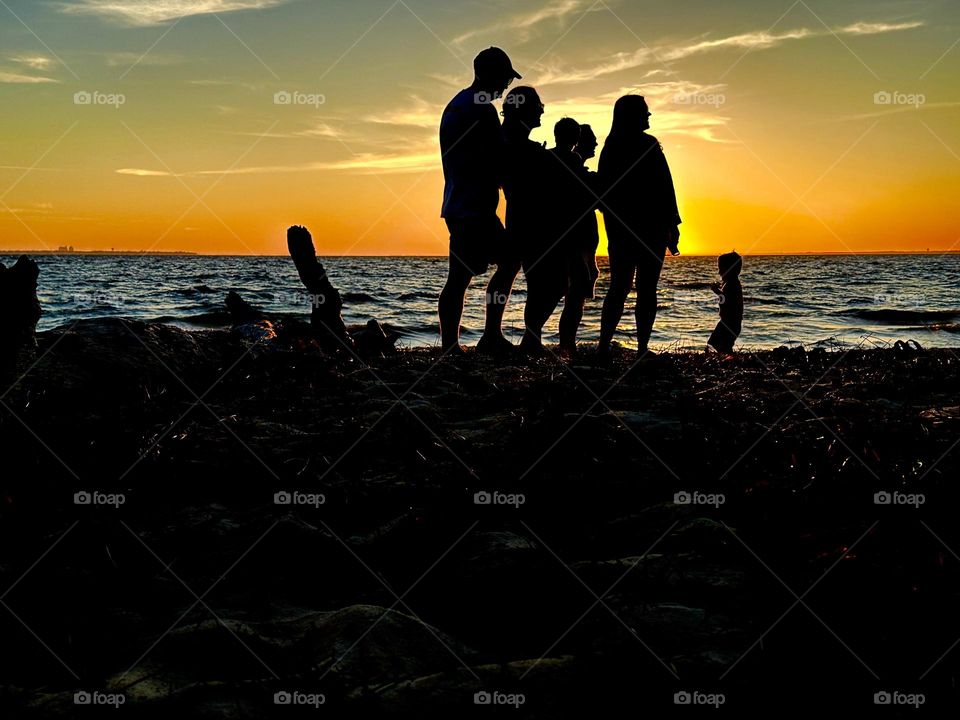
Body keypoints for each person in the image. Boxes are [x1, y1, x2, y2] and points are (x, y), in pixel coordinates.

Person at [438, 47, 522, 356]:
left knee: (459, 277)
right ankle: (485, 337)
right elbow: (497, 158)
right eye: (504, 79)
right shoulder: (480, 108)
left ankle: (454, 344)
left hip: (461, 204)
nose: (504, 87)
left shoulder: (458, 104)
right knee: (507, 261)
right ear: (488, 75)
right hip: (473, 207)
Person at [597, 95, 681, 358]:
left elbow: (604, 193)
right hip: (644, 229)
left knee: (623, 287)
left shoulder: (615, 147)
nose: (649, 116)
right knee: (642, 289)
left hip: (632, 229)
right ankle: (636, 347)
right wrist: (672, 224)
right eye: (645, 112)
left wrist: (672, 223)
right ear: (632, 115)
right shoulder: (644, 146)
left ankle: (608, 346)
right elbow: (665, 189)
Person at [498, 87, 557, 355]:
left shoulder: (518, 138)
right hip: (526, 215)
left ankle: (530, 337)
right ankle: (526, 338)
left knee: (534, 277)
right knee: (541, 278)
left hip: (528, 214)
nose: (542, 111)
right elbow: (515, 174)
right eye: (538, 107)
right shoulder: (511, 138)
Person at [557, 122, 601, 354]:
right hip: (575, 240)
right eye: (592, 139)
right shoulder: (573, 168)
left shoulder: (577, 168)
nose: (595, 143)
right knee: (575, 292)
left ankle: (567, 343)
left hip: (583, 242)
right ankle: (567, 344)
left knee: (577, 291)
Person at [708, 251, 744, 354]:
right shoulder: (731, 283)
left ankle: (729, 360)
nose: (719, 272)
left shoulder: (732, 284)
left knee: (719, 345)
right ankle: (728, 359)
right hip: (729, 322)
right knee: (717, 344)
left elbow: (727, 299)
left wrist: (717, 291)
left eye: (721, 269)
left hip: (730, 323)